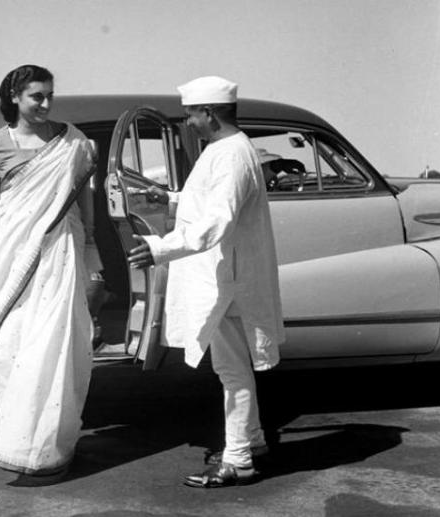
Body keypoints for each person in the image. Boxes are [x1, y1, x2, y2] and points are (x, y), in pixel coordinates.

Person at [127, 76, 285, 488]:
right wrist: (172, 201)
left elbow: (218, 219)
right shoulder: (225, 149)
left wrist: (161, 247)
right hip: (224, 277)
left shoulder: (231, 154)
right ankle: (252, 441)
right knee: (231, 368)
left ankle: (238, 460)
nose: (188, 123)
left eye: (191, 115)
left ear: (209, 113)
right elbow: (210, 201)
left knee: (232, 371)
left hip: (227, 282)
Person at [0, 64, 99, 480]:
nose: (46, 104)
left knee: (58, 347)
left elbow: (84, 200)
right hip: (14, 258)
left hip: (61, 253)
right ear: (15, 95)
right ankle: (16, 443)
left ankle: (49, 448)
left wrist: (90, 246)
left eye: (49, 95)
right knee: (12, 349)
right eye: (36, 96)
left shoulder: (73, 142)